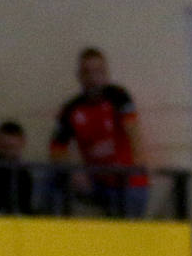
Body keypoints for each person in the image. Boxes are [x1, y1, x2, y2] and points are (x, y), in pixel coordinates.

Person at [50, 47, 148, 217]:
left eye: (98, 72)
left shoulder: (119, 96)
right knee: (54, 181)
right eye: (87, 72)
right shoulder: (70, 109)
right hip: (97, 182)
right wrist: (74, 172)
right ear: (79, 76)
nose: (93, 78)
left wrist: (136, 164)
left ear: (106, 74)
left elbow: (134, 132)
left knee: (126, 228)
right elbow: (56, 148)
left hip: (127, 182)